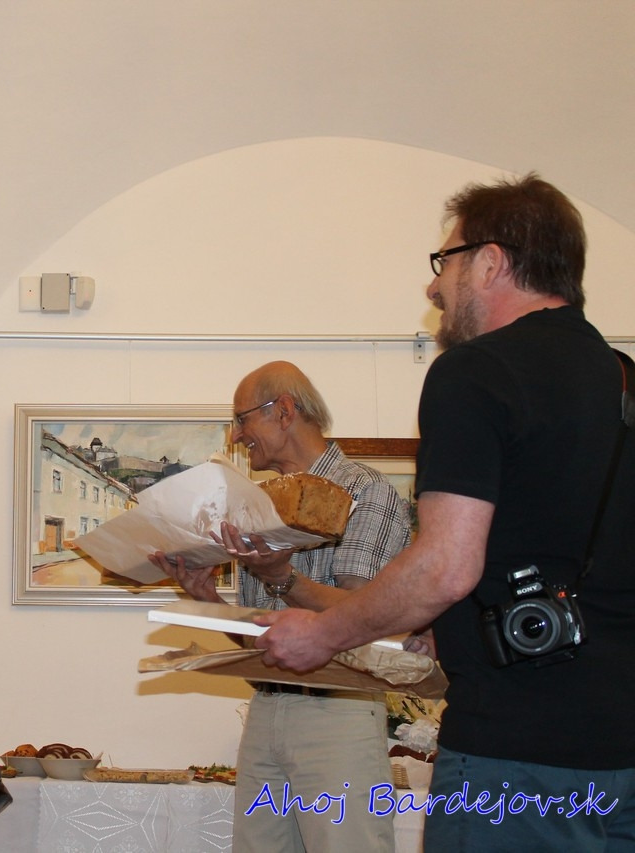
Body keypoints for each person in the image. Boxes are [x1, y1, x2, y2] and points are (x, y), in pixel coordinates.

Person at [254, 174, 635, 849]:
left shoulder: (475, 371)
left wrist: (322, 634)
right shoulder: (622, 379)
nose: (435, 287)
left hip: (518, 757)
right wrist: (458, 624)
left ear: (490, 262)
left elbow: (446, 566)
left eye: (445, 261)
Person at [150, 361, 412, 852]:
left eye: (242, 419)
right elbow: (258, 642)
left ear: (285, 411)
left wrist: (282, 578)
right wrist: (206, 597)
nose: (236, 435)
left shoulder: (366, 491)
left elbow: (368, 618)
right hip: (266, 710)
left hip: (339, 715)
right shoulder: (253, 505)